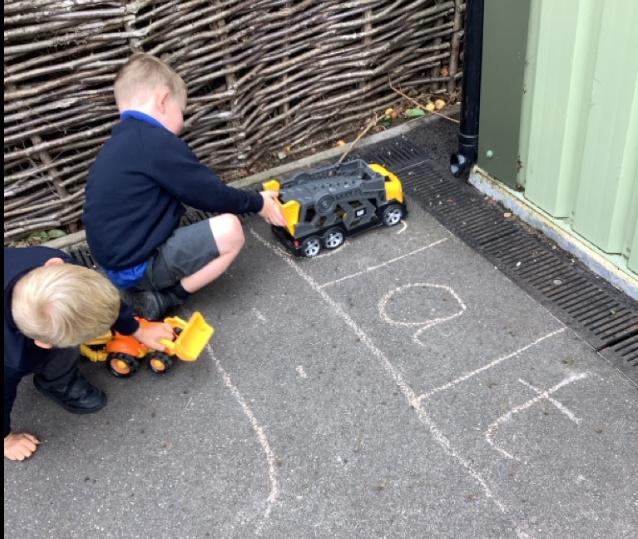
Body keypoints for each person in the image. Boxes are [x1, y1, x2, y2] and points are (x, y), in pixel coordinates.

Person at [83, 52, 287, 321]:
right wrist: (258, 203)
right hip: (139, 267)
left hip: (115, 265)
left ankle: (141, 288)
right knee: (230, 230)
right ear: (163, 100)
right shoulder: (155, 143)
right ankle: (168, 297)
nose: (182, 121)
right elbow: (209, 194)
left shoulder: (118, 146)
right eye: (182, 111)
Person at [4, 246, 175, 461]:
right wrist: (7, 439)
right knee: (63, 354)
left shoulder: (63, 268)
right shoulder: (13, 357)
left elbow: (104, 299)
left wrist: (137, 329)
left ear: (55, 264)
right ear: (43, 343)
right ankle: (56, 382)